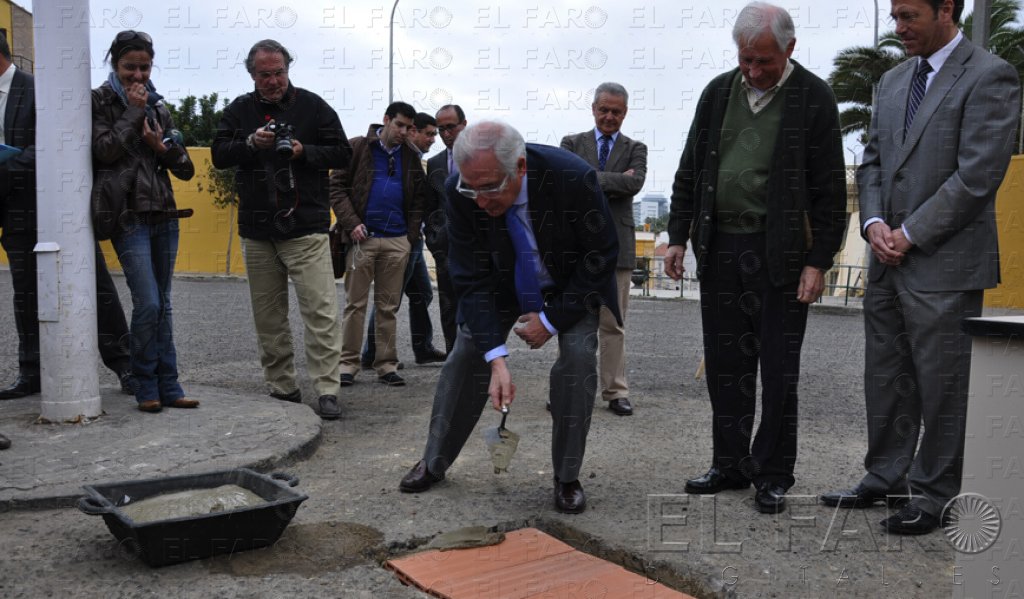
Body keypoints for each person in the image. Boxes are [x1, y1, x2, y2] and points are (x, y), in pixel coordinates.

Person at [821, 0, 1020, 535]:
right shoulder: (891, 82)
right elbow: (872, 162)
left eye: (909, 16)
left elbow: (978, 175)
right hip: (885, 259)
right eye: (894, 16)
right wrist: (874, 224)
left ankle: (936, 494)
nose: (898, 28)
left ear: (946, 9)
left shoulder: (990, 75)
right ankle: (885, 475)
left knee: (943, 385)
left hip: (945, 263)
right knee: (886, 376)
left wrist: (909, 234)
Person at [664, 2, 847, 514]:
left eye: (764, 61)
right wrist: (677, 236)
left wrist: (818, 260)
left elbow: (830, 189)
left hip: (780, 253)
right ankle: (729, 463)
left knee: (779, 370)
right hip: (721, 247)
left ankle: (772, 473)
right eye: (745, 59)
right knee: (726, 364)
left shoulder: (814, 97)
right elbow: (690, 169)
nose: (753, 70)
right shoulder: (718, 92)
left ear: (790, 49)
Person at [398, 121, 620, 514]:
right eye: (472, 189)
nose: (480, 201)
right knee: (466, 352)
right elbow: (469, 277)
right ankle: (434, 461)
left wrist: (550, 322)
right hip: (501, 285)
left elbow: (600, 255)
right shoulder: (461, 189)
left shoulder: (572, 177)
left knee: (578, 358)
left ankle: (567, 476)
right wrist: (496, 359)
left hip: (570, 286)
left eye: (490, 188)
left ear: (520, 167)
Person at [212, 39, 350, 420]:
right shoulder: (239, 110)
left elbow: (342, 153)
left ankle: (327, 389)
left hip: (306, 227)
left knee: (321, 312)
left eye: (279, 73)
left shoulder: (314, 107)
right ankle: (282, 387)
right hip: (257, 230)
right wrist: (250, 143)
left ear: (289, 70)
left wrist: (305, 151)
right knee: (268, 315)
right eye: (264, 75)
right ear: (252, 75)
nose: (273, 81)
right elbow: (219, 154)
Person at [0, 33, 138, 401]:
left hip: (58, 204)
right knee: (25, 292)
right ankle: (31, 372)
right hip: (13, 211)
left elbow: (55, 144)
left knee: (94, 285)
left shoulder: (37, 90)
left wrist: (7, 167)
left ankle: (124, 364)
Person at [91, 30, 198, 413]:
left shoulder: (160, 107)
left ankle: (170, 385)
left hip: (164, 214)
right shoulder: (98, 101)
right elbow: (103, 150)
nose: (138, 76)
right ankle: (144, 383)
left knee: (164, 304)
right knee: (148, 303)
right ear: (115, 64)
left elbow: (185, 168)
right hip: (127, 216)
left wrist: (159, 147)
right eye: (129, 68)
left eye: (144, 68)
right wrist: (133, 112)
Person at [561, 82, 647, 417]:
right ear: (594, 109)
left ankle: (616, 391)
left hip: (618, 249)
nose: (610, 116)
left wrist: (589, 177)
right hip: (577, 247)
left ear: (625, 113)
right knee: (572, 321)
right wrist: (614, 180)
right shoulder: (571, 143)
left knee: (614, 323)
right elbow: (566, 181)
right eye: (604, 110)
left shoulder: (637, 148)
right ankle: (566, 387)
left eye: (617, 112)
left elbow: (634, 183)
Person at [330, 102, 427, 387]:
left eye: (408, 127)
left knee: (388, 307)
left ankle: (386, 365)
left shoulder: (411, 156)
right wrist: (351, 223)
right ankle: (348, 364)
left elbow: (420, 198)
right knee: (355, 305)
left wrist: (409, 237)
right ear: (386, 120)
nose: (403, 132)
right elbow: (336, 187)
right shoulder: (358, 147)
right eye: (399, 125)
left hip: (397, 241)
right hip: (363, 239)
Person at [362, 112, 446, 368]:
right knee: (391, 298)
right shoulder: (402, 158)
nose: (433, 139)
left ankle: (423, 348)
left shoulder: (414, 158)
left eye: (435, 134)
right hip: (402, 238)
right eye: (429, 134)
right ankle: (372, 354)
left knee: (422, 293)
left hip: (413, 238)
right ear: (413, 132)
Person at [422, 104, 467, 354]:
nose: (446, 134)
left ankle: (480, 358)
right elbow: (431, 206)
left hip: (477, 249)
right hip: (445, 249)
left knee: (478, 304)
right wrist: (434, 239)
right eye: (441, 129)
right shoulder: (435, 163)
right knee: (448, 305)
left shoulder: (482, 156)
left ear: (464, 125)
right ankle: (453, 357)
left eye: (451, 127)